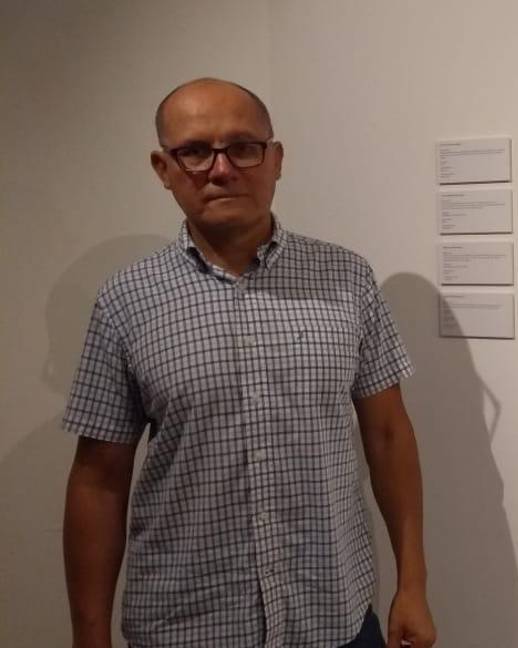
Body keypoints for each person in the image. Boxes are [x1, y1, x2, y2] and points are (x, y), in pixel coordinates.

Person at [61, 78, 437, 648]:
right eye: (194, 151)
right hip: (185, 627)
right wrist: (89, 637)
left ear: (276, 158)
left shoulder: (348, 279)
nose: (221, 169)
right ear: (163, 168)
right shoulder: (126, 301)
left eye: (243, 146)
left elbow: (388, 435)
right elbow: (98, 481)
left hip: (333, 617)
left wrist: (414, 583)